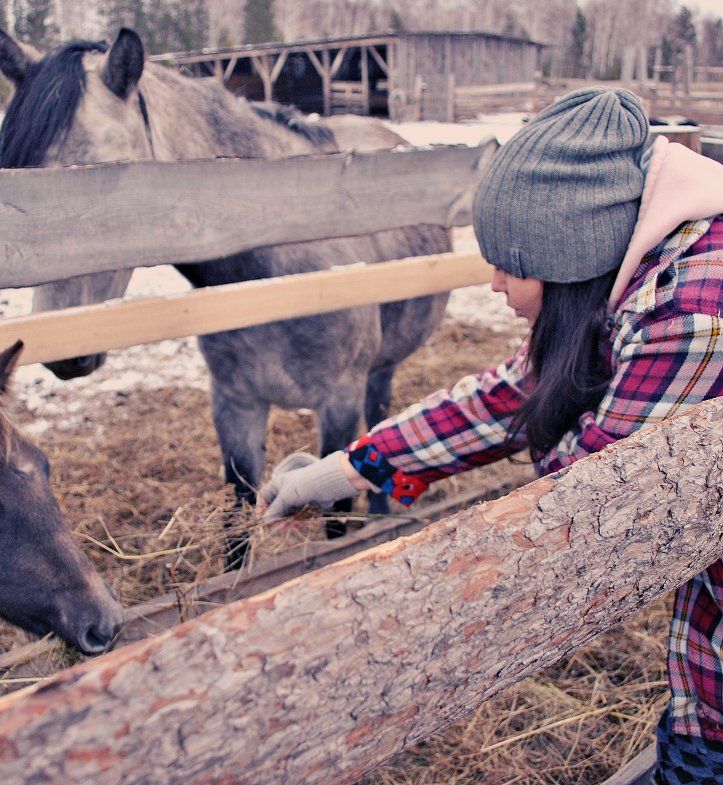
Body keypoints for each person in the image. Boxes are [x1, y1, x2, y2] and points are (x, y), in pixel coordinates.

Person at [258, 87, 723, 784]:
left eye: (514, 264)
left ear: (574, 259)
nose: (496, 285)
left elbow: (587, 504)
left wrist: (401, 600)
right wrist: (351, 468)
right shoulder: (644, 266)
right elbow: (513, 391)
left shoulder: (690, 311)